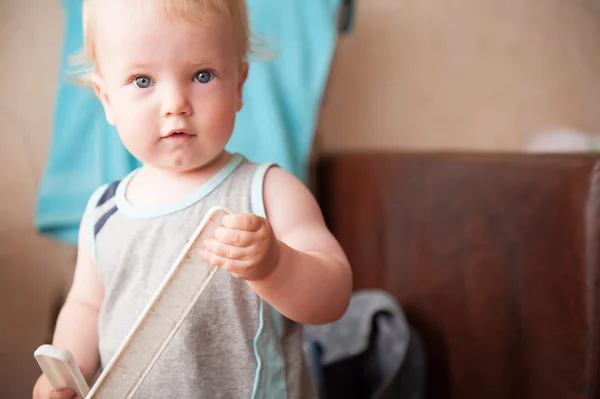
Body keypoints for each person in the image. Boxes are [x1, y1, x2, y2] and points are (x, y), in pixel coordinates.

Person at [32, 0, 352, 397]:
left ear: (238, 85)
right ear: (107, 99)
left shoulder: (268, 191)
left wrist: (276, 266)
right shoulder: (103, 212)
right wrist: (64, 374)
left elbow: (334, 296)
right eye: (143, 81)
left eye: (202, 75)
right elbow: (86, 305)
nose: (175, 105)